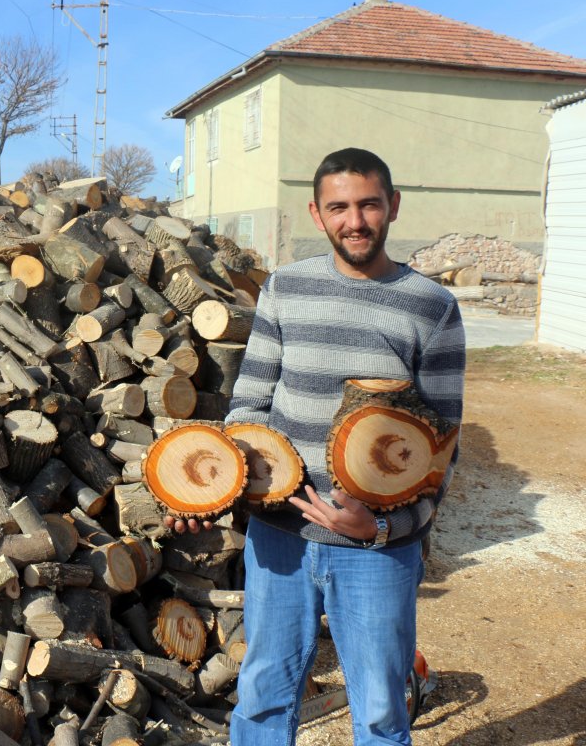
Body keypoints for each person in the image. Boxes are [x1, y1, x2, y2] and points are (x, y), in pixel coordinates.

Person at [166, 147, 466, 745]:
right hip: (278, 538)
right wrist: (212, 488)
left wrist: (379, 529)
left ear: (393, 206)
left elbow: (441, 451)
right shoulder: (285, 288)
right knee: (263, 699)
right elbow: (249, 405)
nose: (355, 221)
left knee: (381, 709)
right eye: (339, 207)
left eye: (368, 204)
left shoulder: (433, 307)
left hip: (375, 551)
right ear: (317, 212)